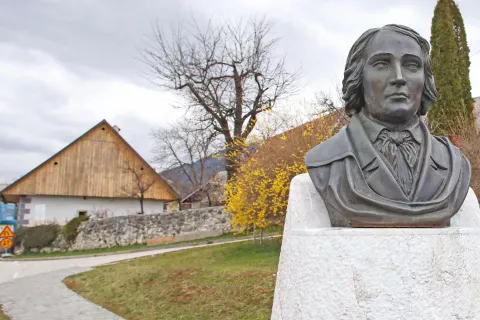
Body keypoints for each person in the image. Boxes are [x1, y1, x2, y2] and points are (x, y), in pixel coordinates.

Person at [305, 24, 471, 227]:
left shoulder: (454, 164)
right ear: (358, 77)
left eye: (411, 65)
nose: (399, 77)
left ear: (425, 80)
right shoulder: (326, 161)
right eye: (382, 64)